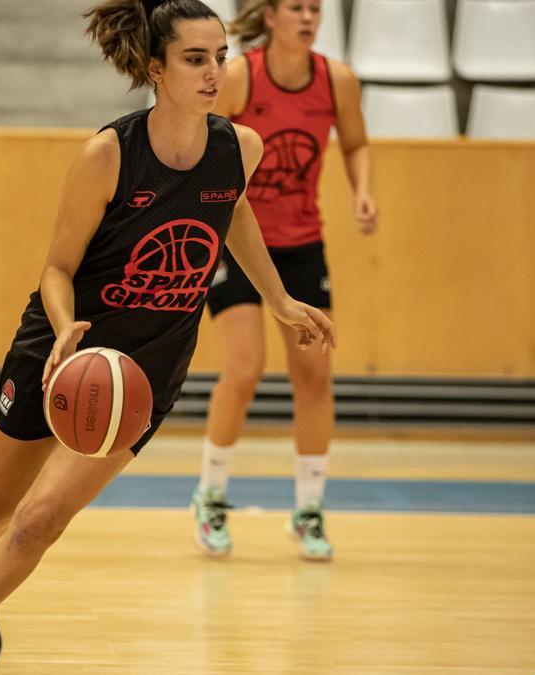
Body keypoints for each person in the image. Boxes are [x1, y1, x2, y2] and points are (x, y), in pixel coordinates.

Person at [0, 1, 335, 673]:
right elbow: (57, 269)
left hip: (139, 377)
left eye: (220, 57)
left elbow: (231, 208)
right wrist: (66, 330)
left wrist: (278, 298)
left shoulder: (239, 147)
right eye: (194, 58)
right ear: (156, 67)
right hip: (57, 351)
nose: (213, 72)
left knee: (38, 522)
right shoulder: (107, 155)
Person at [190, 0, 378, 562]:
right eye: (296, 7)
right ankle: (211, 496)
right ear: (269, 16)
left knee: (315, 375)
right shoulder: (242, 75)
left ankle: (310, 511)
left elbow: (357, 142)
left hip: (301, 245)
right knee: (244, 368)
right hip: (237, 242)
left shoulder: (336, 80)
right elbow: (203, 144)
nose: (309, 17)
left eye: (315, 8)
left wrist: (361, 190)